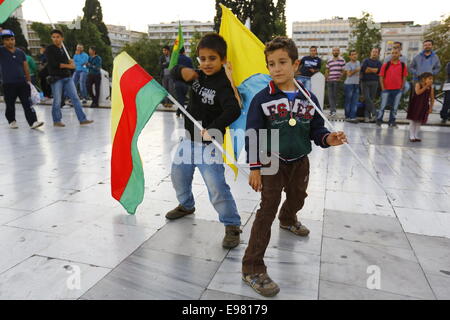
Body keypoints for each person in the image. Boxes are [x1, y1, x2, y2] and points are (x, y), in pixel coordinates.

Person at [242, 36, 347, 297]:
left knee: (298, 196)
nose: (276, 68)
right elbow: (253, 133)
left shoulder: (308, 97)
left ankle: (288, 218)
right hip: (270, 160)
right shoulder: (261, 98)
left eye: (282, 62)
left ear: (295, 64)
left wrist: (328, 139)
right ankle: (252, 267)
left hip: (299, 159)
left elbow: (317, 129)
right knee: (267, 210)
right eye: (271, 64)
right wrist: (255, 167)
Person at [167, 33, 242, 249]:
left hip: (211, 144)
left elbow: (233, 109)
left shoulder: (223, 85)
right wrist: (184, 71)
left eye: (212, 58)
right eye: (202, 58)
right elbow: (172, 73)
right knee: (178, 175)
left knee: (216, 186)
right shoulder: (197, 76)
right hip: (188, 140)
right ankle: (186, 204)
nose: (207, 63)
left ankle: (232, 224)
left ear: (223, 60)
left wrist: (214, 127)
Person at [45, 29, 93, 127]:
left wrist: (71, 63)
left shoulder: (63, 49)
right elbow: (54, 64)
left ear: (62, 38)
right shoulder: (50, 49)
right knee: (57, 100)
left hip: (67, 77)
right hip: (56, 78)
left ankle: (82, 119)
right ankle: (57, 120)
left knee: (75, 98)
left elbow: (68, 64)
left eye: (58, 37)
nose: (55, 39)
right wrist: (69, 66)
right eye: (53, 37)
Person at [0, 29, 44, 129]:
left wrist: (28, 81)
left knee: (27, 103)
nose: (10, 41)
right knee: (10, 104)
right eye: (7, 40)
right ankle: (12, 121)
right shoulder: (1, 51)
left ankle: (33, 122)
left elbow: (25, 67)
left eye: (12, 39)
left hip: (22, 83)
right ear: (3, 41)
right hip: (8, 84)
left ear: (14, 40)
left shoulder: (20, 52)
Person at [376, 48, 408, 128]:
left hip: (397, 90)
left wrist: (402, 87)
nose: (394, 54)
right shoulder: (386, 65)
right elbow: (381, 76)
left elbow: (404, 77)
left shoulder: (403, 65)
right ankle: (379, 120)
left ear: (399, 54)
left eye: (396, 53)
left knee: (395, 107)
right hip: (386, 89)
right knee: (382, 106)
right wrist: (383, 88)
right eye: (392, 53)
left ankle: (392, 121)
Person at [407, 72, 434, 142]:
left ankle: (416, 135)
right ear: (423, 79)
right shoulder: (418, 84)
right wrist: (425, 86)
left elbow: (432, 98)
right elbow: (418, 92)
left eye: (432, 79)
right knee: (413, 120)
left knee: (419, 121)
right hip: (415, 105)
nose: (431, 80)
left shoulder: (431, 88)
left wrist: (431, 108)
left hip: (424, 106)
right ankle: (411, 135)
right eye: (429, 79)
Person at [361, 48, 382, 123]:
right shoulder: (365, 61)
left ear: (378, 53)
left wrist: (370, 69)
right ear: (371, 52)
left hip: (375, 82)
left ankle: (367, 116)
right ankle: (375, 114)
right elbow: (364, 70)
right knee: (367, 98)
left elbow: (378, 71)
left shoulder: (379, 63)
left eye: (376, 52)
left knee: (370, 100)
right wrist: (373, 70)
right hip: (365, 82)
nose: (374, 53)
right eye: (373, 51)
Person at [325, 47, 345, 117]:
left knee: (335, 96)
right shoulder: (329, 60)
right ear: (332, 52)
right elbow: (327, 70)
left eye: (337, 50)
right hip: (330, 80)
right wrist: (326, 77)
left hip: (337, 81)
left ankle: (333, 109)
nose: (335, 52)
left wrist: (340, 78)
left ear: (339, 52)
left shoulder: (342, 60)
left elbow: (343, 71)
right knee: (330, 96)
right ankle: (332, 111)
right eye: (334, 50)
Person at [174, 47, 193, 118]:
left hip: (178, 82)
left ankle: (182, 112)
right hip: (186, 82)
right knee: (182, 98)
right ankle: (179, 112)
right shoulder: (189, 60)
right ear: (184, 52)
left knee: (180, 98)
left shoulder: (175, 60)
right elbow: (191, 70)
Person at [343, 50, 361, 122]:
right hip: (349, 84)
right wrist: (356, 70)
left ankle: (352, 116)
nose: (354, 56)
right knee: (348, 101)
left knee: (355, 101)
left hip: (356, 84)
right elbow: (349, 74)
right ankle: (347, 116)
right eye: (352, 54)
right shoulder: (348, 64)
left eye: (355, 54)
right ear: (350, 56)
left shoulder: (358, 62)